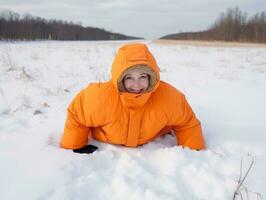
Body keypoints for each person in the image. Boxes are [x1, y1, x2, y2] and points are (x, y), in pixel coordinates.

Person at [60, 43, 205, 154]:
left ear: (151, 77)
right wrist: (76, 146)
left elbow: (187, 123)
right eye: (129, 77)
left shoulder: (168, 97)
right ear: (120, 78)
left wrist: (193, 151)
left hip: (151, 136)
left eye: (142, 77)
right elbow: (77, 115)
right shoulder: (99, 97)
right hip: (107, 138)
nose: (136, 85)